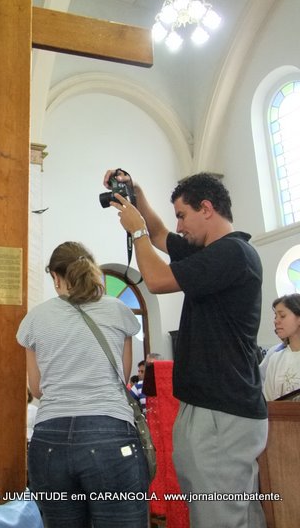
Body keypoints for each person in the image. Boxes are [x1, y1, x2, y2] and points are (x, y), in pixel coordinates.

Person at [103, 169, 267, 528]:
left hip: (222, 408)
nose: (178, 226)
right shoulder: (209, 252)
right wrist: (135, 192)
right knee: (223, 512)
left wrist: (136, 232)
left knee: (219, 517)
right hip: (208, 405)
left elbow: (157, 279)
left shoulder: (233, 253)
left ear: (206, 208)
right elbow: (160, 235)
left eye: (182, 215)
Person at [17, 241, 148, 528]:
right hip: (110, 431)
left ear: (55, 277)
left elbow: (36, 389)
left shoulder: (35, 318)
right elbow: (123, 376)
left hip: (50, 437)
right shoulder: (118, 310)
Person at [263, 294, 300, 401]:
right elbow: (268, 400)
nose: (276, 321)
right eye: (276, 316)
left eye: (282, 316)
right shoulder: (275, 358)